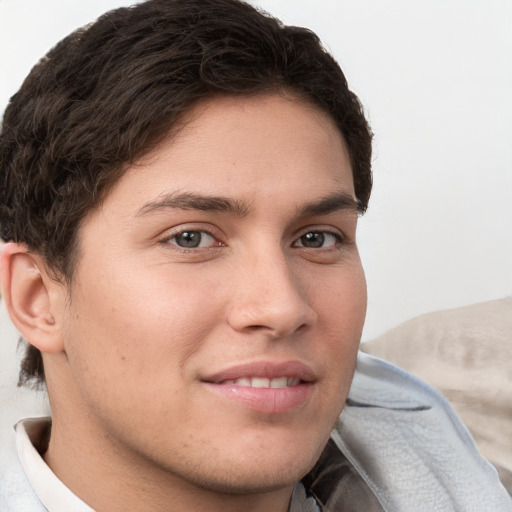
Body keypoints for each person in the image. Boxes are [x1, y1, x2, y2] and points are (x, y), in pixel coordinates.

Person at [0, 0, 509, 510]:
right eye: (190, 238)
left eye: (316, 238)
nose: (282, 307)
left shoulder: (443, 444)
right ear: (38, 298)